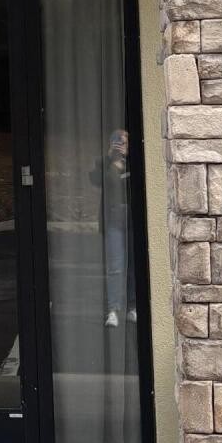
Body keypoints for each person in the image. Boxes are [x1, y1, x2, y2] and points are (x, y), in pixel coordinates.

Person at [92, 128, 134, 328]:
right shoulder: (104, 163)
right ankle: (113, 309)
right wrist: (110, 158)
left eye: (123, 141)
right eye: (116, 141)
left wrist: (126, 158)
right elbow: (95, 180)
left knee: (133, 265)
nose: (120, 144)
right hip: (113, 219)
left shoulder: (134, 163)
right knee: (116, 266)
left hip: (132, 219)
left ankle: (132, 306)